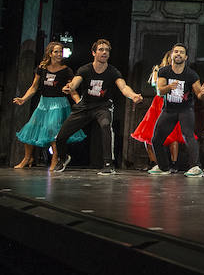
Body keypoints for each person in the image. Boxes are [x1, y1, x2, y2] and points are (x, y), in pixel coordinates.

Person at [54, 39, 143, 175]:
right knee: (60, 137)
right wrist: (69, 87)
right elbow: (75, 83)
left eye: (107, 50)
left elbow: (123, 87)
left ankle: (108, 163)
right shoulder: (85, 69)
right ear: (94, 53)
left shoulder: (113, 71)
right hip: (85, 106)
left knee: (106, 125)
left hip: (103, 106)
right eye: (101, 49)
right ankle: (63, 158)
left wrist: (133, 96)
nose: (104, 52)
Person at [13, 41, 86, 170]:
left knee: (54, 131)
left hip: (58, 104)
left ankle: (55, 159)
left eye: (60, 52)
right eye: (56, 51)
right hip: (43, 103)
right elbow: (34, 87)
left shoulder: (66, 71)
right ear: (50, 53)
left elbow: (72, 90)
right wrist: (23, 99)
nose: (59, 54)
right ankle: (27, 158)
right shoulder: (41, 68)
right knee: (30, 128)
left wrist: (79, 103)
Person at [149, 43, 204, 177]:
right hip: (169, 110)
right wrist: (169, 87)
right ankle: (163, 167)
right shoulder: (164, 71)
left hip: (185, 110)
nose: (178, 54)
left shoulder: (191, 74)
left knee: (188, 135)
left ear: (186, 57)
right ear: (171, 55)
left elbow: (199, 95)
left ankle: (195, 167)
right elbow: (160, 91)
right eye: (176, 51)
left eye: (181, 52)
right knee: (156, 139)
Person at [131, 51, 181, 171]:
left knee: (173, 134)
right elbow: (155, 85)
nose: (173, 60)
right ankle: (154, 162)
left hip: (172, 101)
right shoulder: (158, 70)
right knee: (148, 133)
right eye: (171, 58)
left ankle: (174, 164)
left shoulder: (180, 71)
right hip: (158, 103)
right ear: (168, 58)